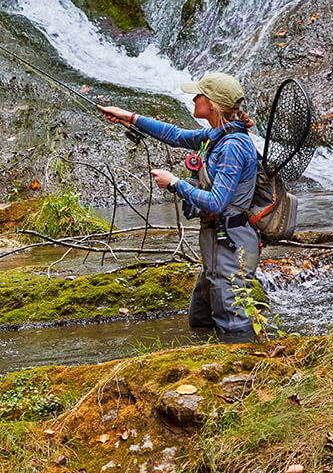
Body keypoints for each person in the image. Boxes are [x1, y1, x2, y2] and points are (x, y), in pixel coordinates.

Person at [98, 71, 260, 343]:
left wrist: (174, 183)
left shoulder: (232, 146)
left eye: (199, 94)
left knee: (233, 323)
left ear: (212, 105)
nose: (193, 97)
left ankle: (242, 372)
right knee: (201, 318)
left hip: (231, 242)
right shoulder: (216, 136)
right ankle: (207, 368)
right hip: (218, 240)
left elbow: (218, 203)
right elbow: (174, 134)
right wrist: (129, 117)